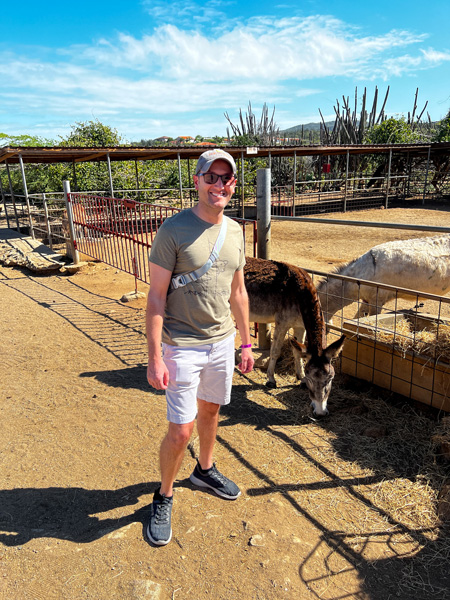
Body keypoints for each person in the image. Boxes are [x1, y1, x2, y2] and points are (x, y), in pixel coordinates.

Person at [146, 149, 254, 546]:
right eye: (212, 177)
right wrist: (155, 356)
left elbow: (238, 291)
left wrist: (245, 342)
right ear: (197, 181)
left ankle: (204, 470)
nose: (219, 185)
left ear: (233, 185)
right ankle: (164, 494)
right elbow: (156, 297)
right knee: (181, 430)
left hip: (222, 342)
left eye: (227, 178)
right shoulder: (173, 230)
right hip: (182, 346)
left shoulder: (237, 232)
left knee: (211, 411)